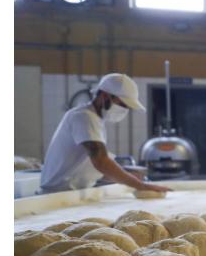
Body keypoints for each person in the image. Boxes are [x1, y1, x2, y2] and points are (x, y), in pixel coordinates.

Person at [40, 73, 171, 195]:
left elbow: (90, 164)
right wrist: (140, 185)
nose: (124, 110)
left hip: (72, 193)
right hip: (56, 195)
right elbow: (101, 161)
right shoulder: (84, 117)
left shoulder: (96, 120)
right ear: (104, 95)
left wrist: (127, 176)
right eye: (122, 104)